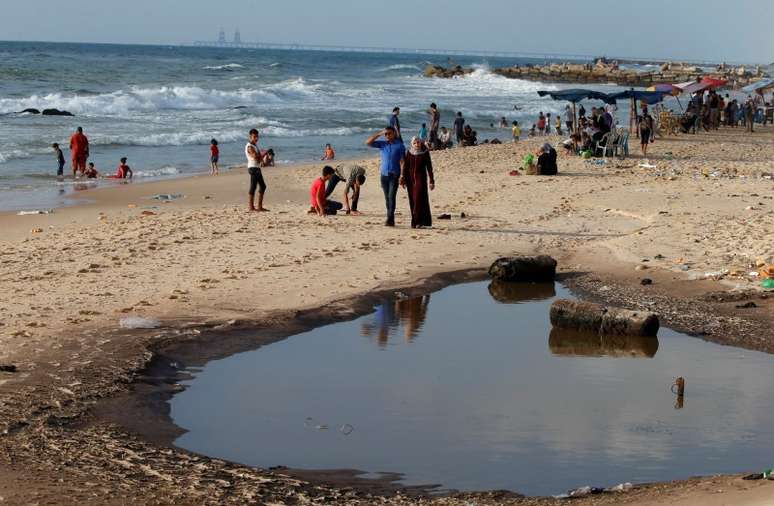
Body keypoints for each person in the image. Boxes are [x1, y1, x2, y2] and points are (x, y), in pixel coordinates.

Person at [366, 126, 405, 226]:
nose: (387, 135)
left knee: (391, 197)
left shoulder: (400, 146)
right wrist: (379, 134)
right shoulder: (382, 144)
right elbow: (368, 142)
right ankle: (389, 216)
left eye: (389, 133)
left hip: (394, 175)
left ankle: (390, 219)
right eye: (386, 134)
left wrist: (402, 175)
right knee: (387, 198)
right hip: (384, 175)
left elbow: (402, 162)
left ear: (394, 134)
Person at [402, 137, 435, 229]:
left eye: (418, 142)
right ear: (412, 144)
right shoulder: (409, 153)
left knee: (418, 199)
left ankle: (416, 221)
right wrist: (403, 179)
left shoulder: (425, 153)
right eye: (415, 143)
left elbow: (429, 167)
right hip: (410, 180)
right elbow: (405, 167)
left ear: (421, 143)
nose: (417, 144)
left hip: (421, 179)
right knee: (413, 201)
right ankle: (419, 222)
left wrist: (432, 181)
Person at [245, 128, 268, 212]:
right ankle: (252, 207)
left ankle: (259, 206)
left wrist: (262, 157)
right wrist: (263, 154)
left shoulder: (254, 145)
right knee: (254, 187)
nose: (256, 138)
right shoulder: (249, 146)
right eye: (254, 137)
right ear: (250, 136)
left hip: (256, 167)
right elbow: (255, 156)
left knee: (262, 186)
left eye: (257, 137)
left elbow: (258, 157)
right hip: (253, 168)